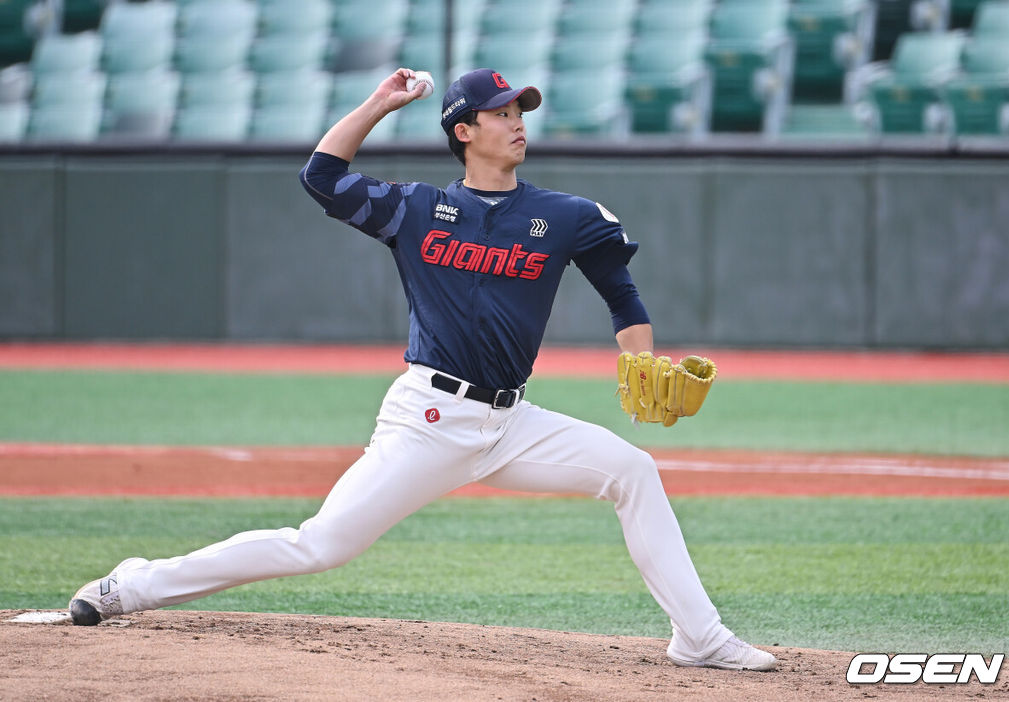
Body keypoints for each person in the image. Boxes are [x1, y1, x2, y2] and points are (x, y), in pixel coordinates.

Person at [68, 67, 776, 672]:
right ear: (463, 130)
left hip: (512, 422)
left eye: (519, 111)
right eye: (500, 114)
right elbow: (321, 177)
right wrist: (380, 105)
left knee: (633, 470)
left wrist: (640, 358)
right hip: (429, 420)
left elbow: (621, 294)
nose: (516, 123)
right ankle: (135, 584)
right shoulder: (417, 209)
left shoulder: (565, 217)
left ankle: (699, 637)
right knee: (320, 545)